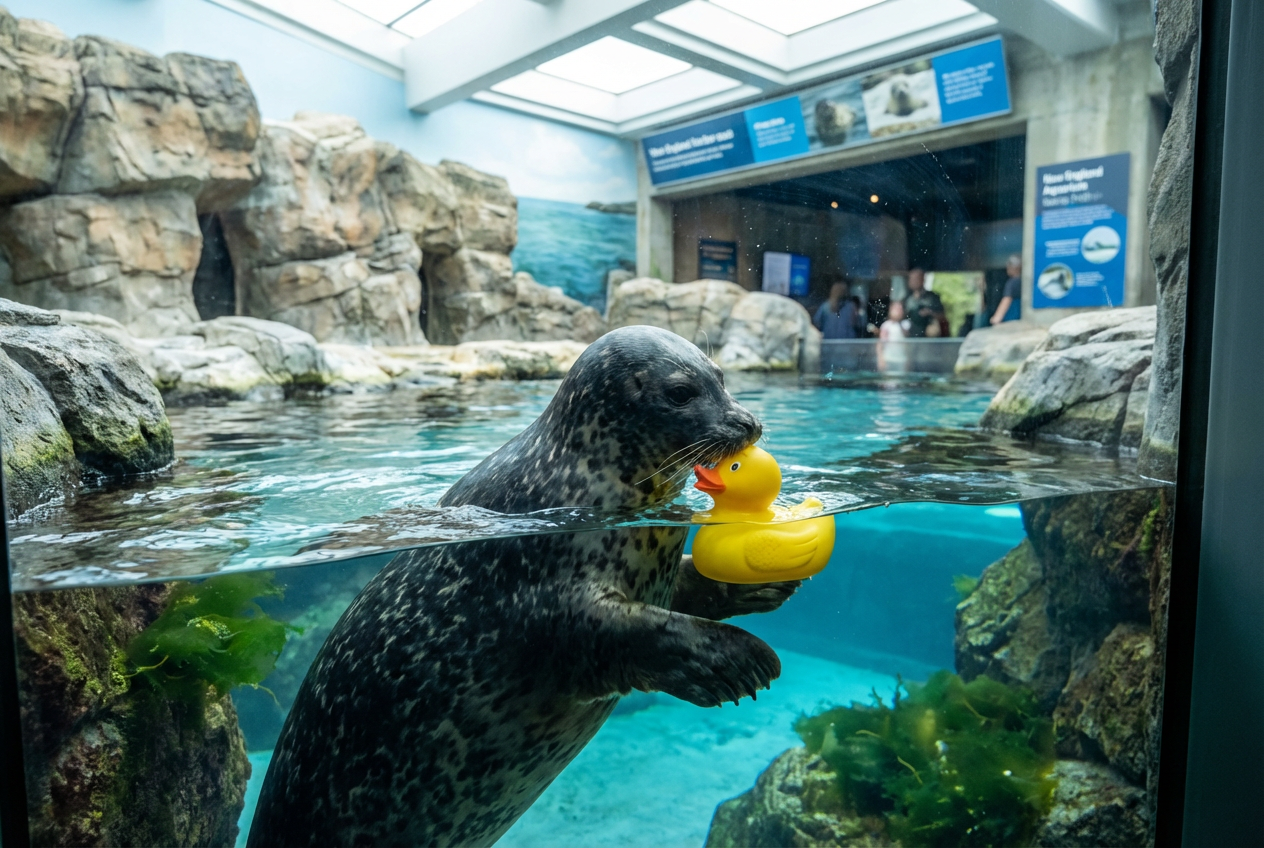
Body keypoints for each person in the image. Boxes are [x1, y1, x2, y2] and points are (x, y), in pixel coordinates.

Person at [902, 268, 946, 337]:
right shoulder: (906, 298)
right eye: (911, 279)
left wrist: (929, 313)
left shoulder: (933, 297)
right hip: (911, 336)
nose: (913, 282)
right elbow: (900, 316)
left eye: (916, 279)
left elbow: (942, 316)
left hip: (929, 336)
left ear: (922, 280)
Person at [877, 300, 910, 372]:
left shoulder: (905, 324)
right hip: (888, 358)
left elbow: (906, 337)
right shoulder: (886, 325)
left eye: (900, 309)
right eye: (896, 309)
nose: (899, 311)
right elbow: (881, 344)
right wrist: (881, 359)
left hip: (901, 359)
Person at [991, 254, 1023, 325]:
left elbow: (1007, 300)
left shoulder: (1012, 283)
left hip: (1011, 320)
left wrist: (997, 318)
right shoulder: (1024, 281)